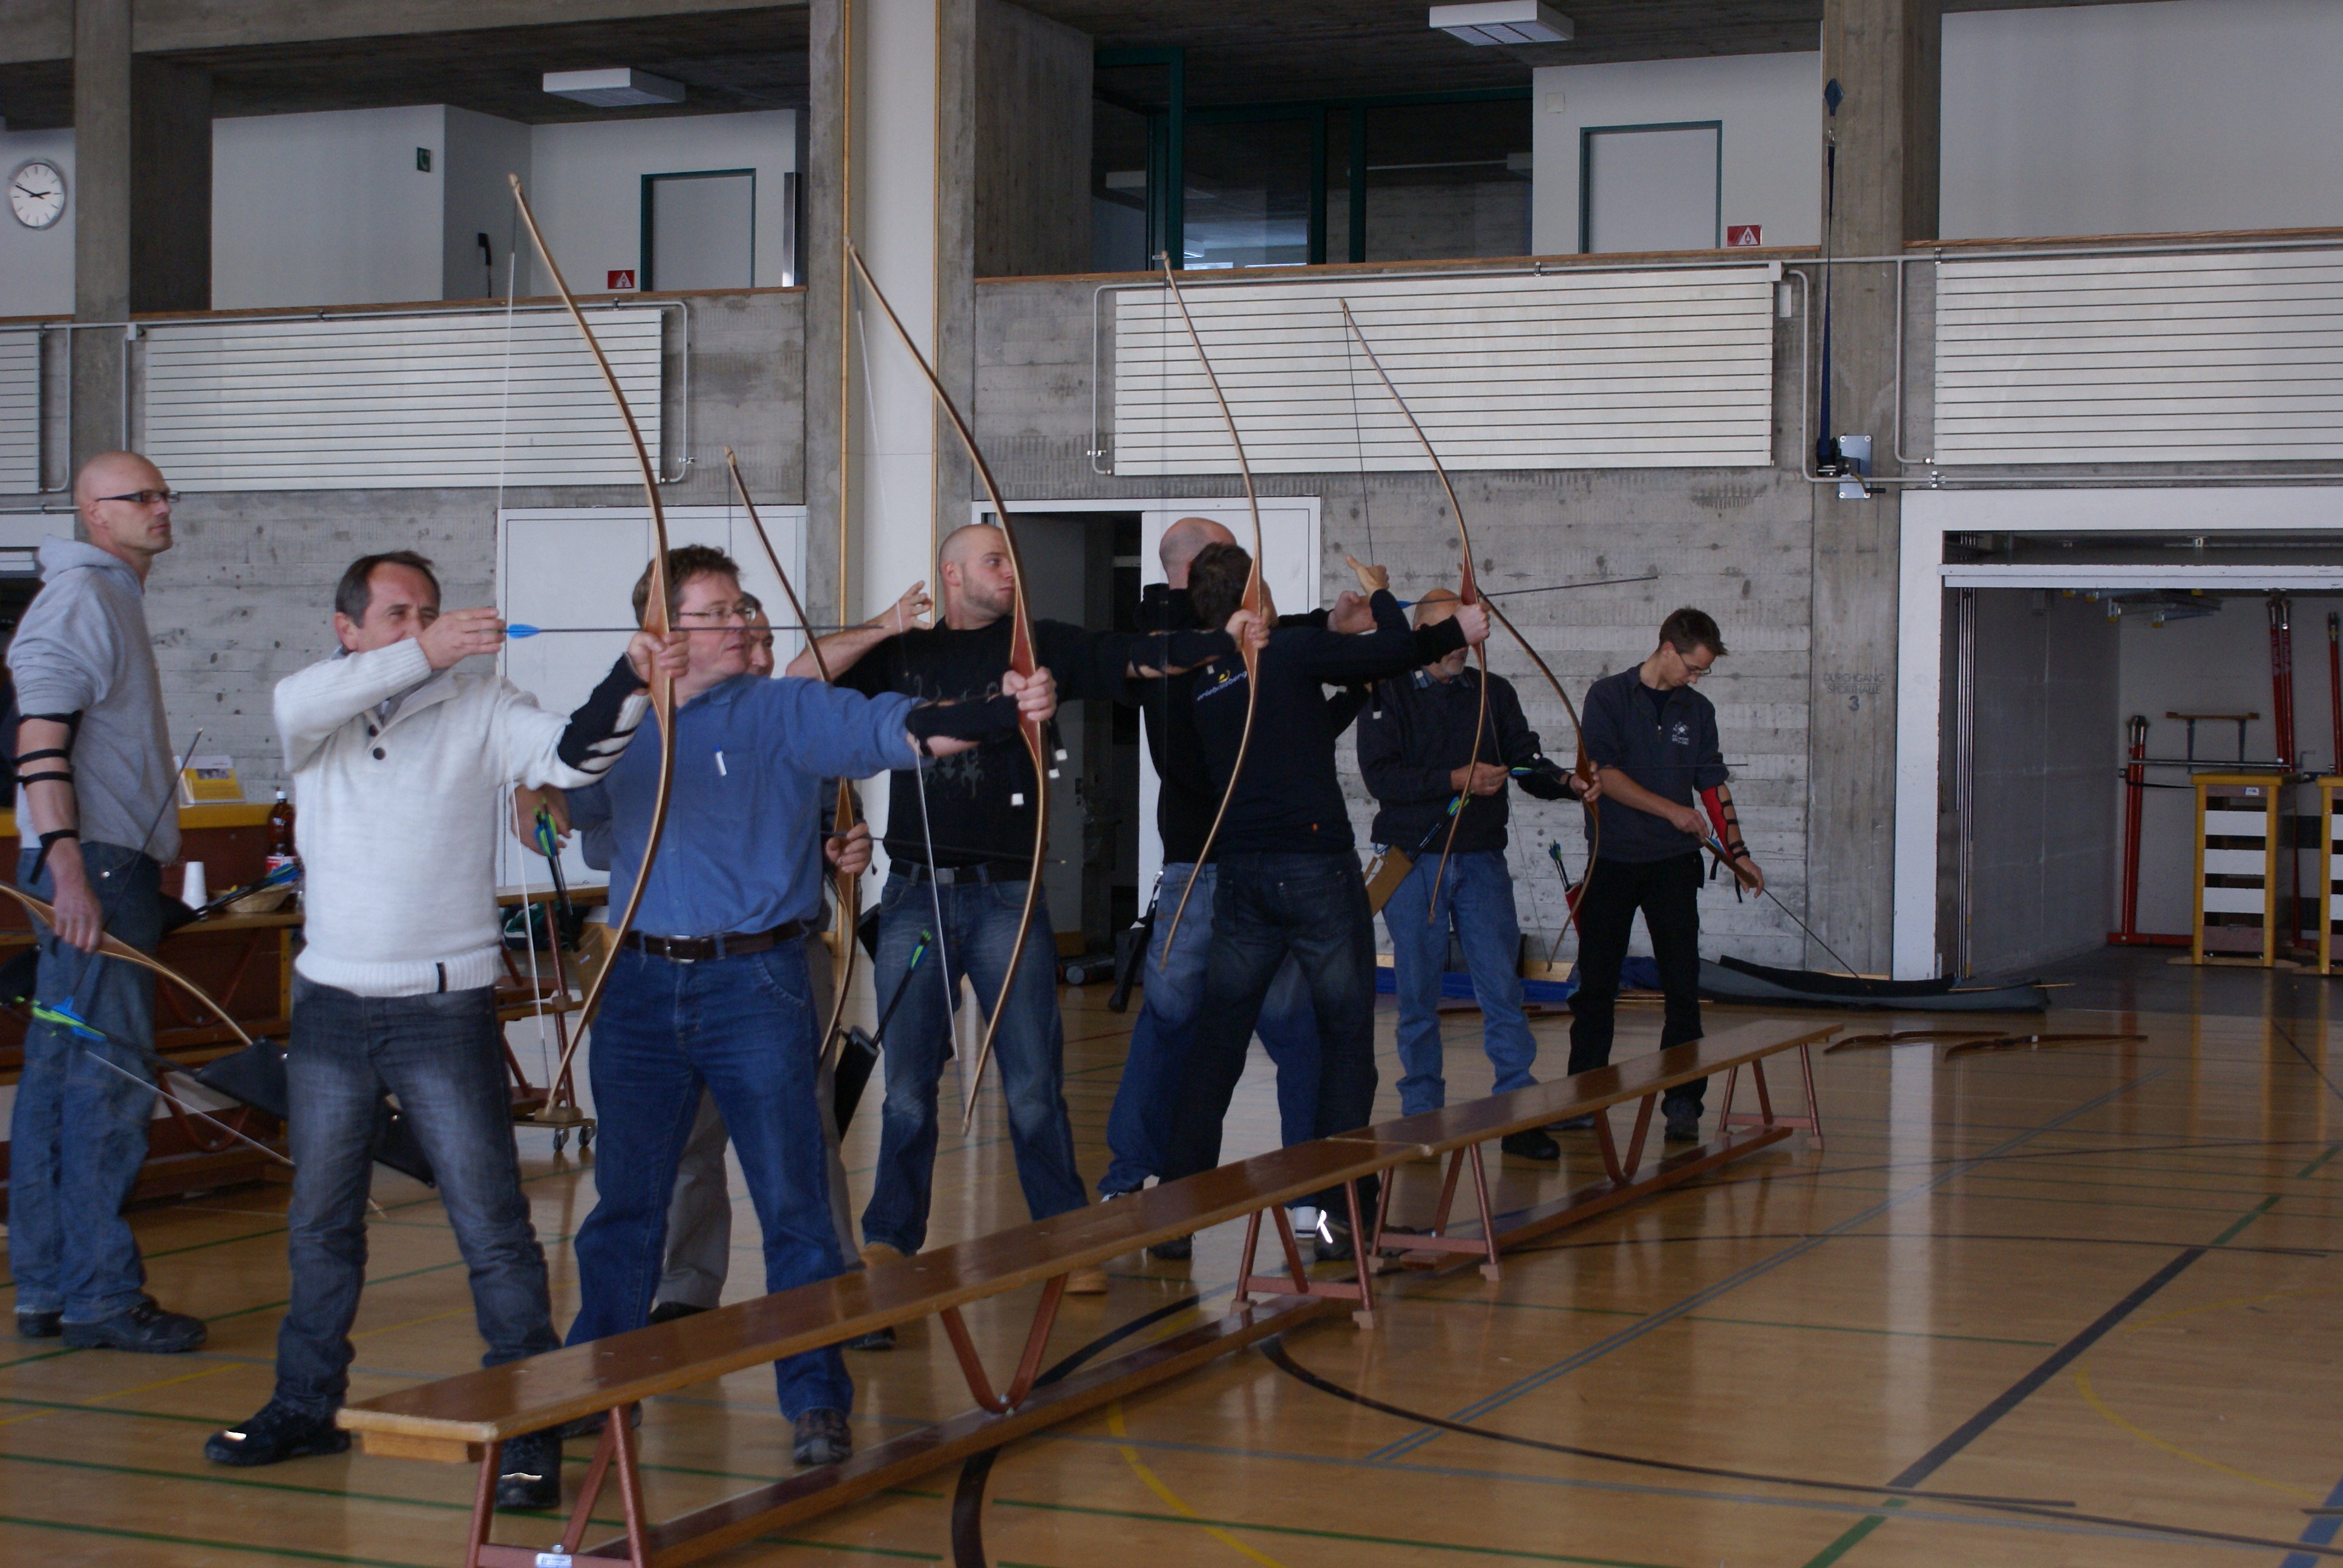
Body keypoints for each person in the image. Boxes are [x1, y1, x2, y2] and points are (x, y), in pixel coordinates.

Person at [203, 550, 680, 1512]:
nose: (421, 627)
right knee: (321, 1223)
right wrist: (426, 651)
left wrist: (629, 677)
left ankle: (531, 1423)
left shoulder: (481, 703)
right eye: (397, 614)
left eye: (428, 612)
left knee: (493, 1228)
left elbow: (572, 759)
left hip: (442, 1009)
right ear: (348, 629)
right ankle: (304, 1403)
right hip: (332, 1008)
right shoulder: (315, 706)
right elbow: (299, 703)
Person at [563, 544, 1049, 1475]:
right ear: (663, 632)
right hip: (639, 987)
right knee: (625, 1205)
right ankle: (595, 1380)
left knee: (795, 1202)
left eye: (741, 606)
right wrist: (536, 791)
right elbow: (563, 791)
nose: (740, 622)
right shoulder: (622, 722)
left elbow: (902, 728)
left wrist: (1002, 710)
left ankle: (816, 1398)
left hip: (757, 983)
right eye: (716, 612)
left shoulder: (783, 708)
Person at [796, 525, 1237, 1292]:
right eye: (993, 560)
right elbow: (800, 682)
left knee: (1033, 1087)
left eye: (1010, 559)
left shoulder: (1039, 645)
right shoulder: (902, 652)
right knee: (907, 1093)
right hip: (916, 895)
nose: (1009, 572)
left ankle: (1065, 1239)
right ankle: (890, 1237)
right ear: (951, 573)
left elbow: (1130, 656)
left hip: (1008, 896)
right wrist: (884, 625)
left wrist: (1221, 639)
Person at [1103, 518, 1469, 1253]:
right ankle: (1327, 1212)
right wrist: (1425, 616)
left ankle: (1190, 1213)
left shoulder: (1207, 671)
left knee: (1232, 1042)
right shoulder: (1250, 652)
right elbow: (1395, 647)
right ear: (1243, 594)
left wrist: (1344, 667)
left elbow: (1288, 718)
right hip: (1280, 871)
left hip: (1244, 874)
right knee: (1329, 1041)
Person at [522, 602, 879, 1334]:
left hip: (777, 961)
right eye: (740, 638)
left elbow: (828, 829)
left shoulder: (789, 721)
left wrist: (843, 849)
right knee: (683, 1139)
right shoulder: (637, 728)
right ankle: (686, 1285)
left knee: (803, 1134)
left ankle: (835, 1281)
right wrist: (529, 777)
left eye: (764, 642)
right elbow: (565, 819)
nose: (757, 655)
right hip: (662, 964)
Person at [8, 451, 206, 1353]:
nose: (160, 508)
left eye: (164, 494)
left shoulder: (107, 594)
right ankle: (98, 1297)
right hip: (95, 869)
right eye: (140, 497)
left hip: (99, 866)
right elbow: (38, 741)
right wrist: (71, 873)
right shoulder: (83, 597)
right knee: (108, 1081)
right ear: (94, 513)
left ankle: (51, 1286)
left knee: (63, 1076)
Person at [1357, 589, 1593, 1157]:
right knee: (1417, 995)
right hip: (1412, 861)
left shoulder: (1494, 692)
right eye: (1451, 636)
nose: (1461, 648)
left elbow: (1525, 761)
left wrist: (1567, 782)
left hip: (1481, 859)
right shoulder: (1385, 690)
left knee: (1502, 990)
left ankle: (1516, 1113)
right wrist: (1456, 780)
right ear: (1422, 636)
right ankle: (1422, 1118)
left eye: (1466, 637)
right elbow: (1382, 777)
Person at [1565, 607, 1762, 1144]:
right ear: (1668, 649)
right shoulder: (1607, 697)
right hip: (1612, 860)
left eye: (1703, 672)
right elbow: (1604, 776)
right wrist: (1673, 811)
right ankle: (1583, 1098)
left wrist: (1738, 852)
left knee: (1682, 987)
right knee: (1596, 987)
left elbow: (1712, 783)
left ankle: (1683, 1102)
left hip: (1674, 866)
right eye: (1692, 668)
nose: (1695, 679)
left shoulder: (1698, 710)